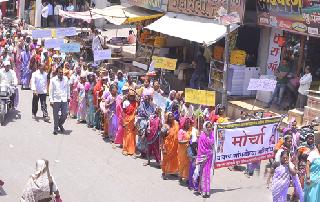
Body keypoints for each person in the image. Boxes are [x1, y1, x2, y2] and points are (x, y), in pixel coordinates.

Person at [194, 121, 215, 198]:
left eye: (210, 127)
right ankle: (203, 190)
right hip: (204, 158)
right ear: (205, 127)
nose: (209, 128)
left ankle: (207, 190)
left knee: (209, 174)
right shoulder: (202, 136)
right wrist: (209, 151)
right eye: (208, 127)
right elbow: (201, 149)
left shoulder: (212, 134)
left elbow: (214, 144)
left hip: (210, 158)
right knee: (203, 174)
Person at [49, 67, 70, 135]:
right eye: (59, 72)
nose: (61, 74)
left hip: (64, 99)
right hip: (56, 99)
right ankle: (55, 129)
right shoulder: (53, 80)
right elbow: (51, 90)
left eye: (62, 72)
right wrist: (51, 100)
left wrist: (68, 97)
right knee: (55, 115)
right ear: (57, 73)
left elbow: (68, 88)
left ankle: (60, 124)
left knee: (65, 113)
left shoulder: (66, 79)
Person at [161, 112, 179, 180]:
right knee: (166, 159)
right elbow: (161, 137)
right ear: (167, 118)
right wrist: (162, 147)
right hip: (167, 146)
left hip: (175, 146)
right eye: (169, 117)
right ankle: (164, 172)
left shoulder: (176, 124)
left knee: (174, 159)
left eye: (172, 116)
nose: (171, 118)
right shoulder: (165, 126)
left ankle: (173, 171)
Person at [304, 134, 320, 202]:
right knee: (312, 197)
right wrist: (308, 178)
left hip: (318, 180)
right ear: (318, 145)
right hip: (312, 179)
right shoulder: (313, 153)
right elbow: (307, 165)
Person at [122, 89, 138, 156]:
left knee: (133, 135)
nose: (131, 97)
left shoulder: (136, 103)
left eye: (133, 96)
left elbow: (136, 113)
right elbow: (124, 112)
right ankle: (125, 149)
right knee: (127, 135)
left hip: (133, 120)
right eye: (130, 96)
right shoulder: (125, 102)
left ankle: (132, 150)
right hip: (127, 120)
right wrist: (123, 122)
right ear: (128, 96)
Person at [178, 117, 192, 184]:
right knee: (182, 164)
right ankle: (180, 176)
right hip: (182, 150)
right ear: (184, 124)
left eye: (189, 123)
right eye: (187, 123)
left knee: (188, 164)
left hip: (188, 150)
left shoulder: (190, 130)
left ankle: (186, 178)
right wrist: (188, 141)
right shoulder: (181, 131)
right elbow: (180, 141)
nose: (188, 124)